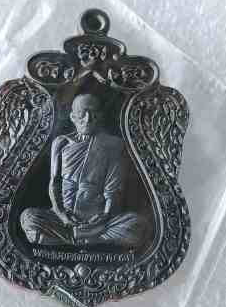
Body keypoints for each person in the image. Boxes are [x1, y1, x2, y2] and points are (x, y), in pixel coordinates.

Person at [20, 92, 148, 248]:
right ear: (72, 117)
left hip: (99, 221)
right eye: (82, 113)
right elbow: (54, 183)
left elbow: (113, 190)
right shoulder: (61, 143)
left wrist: (105, 215)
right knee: (28, 217)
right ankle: (88, 241)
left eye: (93, 113)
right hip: (63, 220)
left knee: (137, 224)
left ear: (100, 116)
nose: (87, 119)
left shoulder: (113, 145)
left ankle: (71, 240)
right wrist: (62, 215)